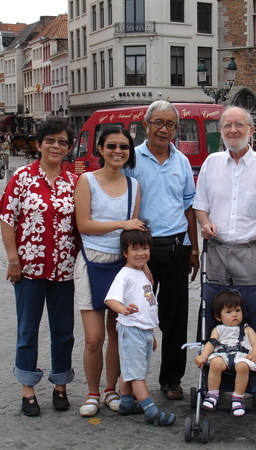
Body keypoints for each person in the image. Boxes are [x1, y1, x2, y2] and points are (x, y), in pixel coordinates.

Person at [194, 105, 256, 391]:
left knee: (253, 311)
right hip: (217, 251)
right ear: (221, 131)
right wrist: (204, 223)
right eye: (227, 125)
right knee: (216, 311)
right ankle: (213, 375)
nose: (233, 130)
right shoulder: (211, 163)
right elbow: (200, 206)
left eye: (239, 125)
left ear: (251, 130)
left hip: (249, 250)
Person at [0, 117, 78, 417]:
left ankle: (60, 385)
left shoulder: (74, 182)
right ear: (39, 144)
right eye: (50, 140)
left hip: (64, 269)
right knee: (28, 329)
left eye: (62, 142)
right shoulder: (22, 177)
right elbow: (7, 218)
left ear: (68, 147)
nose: (56, 146)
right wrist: (13, 260)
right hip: (29, 269)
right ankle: (28, 389)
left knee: (63, 331)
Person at [124, 100, 200, 401]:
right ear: (146, 126)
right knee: (135, 316)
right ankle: (130, 381)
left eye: (170, 124)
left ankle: (171, 379)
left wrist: (194, 249)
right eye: (158, 123)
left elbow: (189, 208)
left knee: (175, 318)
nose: (164, 129)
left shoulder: (181, 161)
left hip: (177, 247)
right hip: (143, 249)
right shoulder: (132, 159)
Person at [74, 126, 145, 417]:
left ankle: (110, 390)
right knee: (94, 338)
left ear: (129, 152)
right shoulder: (86, 180)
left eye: (124, 147)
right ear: (101, 149)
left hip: (123, 267)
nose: (118, 151)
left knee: (118, 334)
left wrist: (145, 268)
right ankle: (91, 393)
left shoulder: (134, 186)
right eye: (112, 146)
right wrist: (121, 224)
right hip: (91, 262)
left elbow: (136, 234)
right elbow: (84, 225)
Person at [105, 228, 176, 426]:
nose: (140, 253)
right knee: (137, 375)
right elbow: (111, 299)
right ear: (125, 253)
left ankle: (126, 403)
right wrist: (123, 309)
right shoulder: (125, 275)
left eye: (144, 248)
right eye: (134, 249)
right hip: (131, 330)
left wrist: (151, 333)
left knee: (132, 369)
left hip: (143, 330)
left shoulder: (143, 273)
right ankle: (151, 411)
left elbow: (147, 307)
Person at [194, 290, 256, 417]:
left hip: (242, 356)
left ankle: (238, 398)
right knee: (216, 363)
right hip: (222, 355)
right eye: (229, 312)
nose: (234, 315)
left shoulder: (247, 329)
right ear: (218, 317)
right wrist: (203, 356)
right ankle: (212, 395)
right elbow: (210, 344)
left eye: (237, 311)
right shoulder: (218, 329)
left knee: (243, 366)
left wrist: (254, 355)